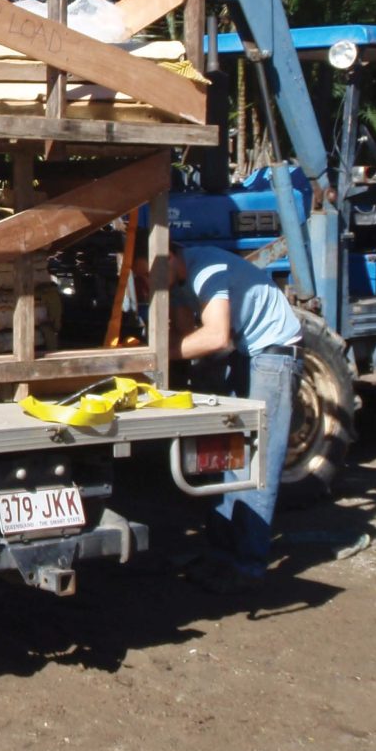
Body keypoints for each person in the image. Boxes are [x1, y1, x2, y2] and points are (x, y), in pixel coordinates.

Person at [133, 242, 301, 594]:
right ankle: (222, 555)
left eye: (149, 273)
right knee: (230, 457)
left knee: (258, 462)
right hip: (248, 351)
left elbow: (214, 336)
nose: (147, 283)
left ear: (172, 256)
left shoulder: (206, 269)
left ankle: (249, 564)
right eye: (141, 277)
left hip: (274, 353)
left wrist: (157, 353)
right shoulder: (177, 283)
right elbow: (182, 334)